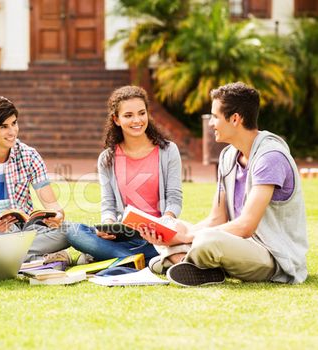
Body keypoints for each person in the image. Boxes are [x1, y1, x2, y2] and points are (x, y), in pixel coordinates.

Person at [143, 82, 308, 287]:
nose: (211, 123)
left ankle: (178, 259)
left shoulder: (270, 157)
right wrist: (173, 233)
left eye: (215, 116)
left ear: (235, 119)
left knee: (205, 241)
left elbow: (246, 226)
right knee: (170, 226)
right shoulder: (228, 156)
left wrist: (185, 237)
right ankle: (195, 265)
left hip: (272, 255)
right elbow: (216, 218)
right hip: (236, 244)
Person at [0, 95, 84, 264]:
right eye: (3, 127)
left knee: (71, 231)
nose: (12, 131)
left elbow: (53, 206)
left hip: (25, 231)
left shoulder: (29, 155)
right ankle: (40, 258)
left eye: (14, 123)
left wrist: (58, 216)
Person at [66, 85, 183, 266]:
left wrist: (165, 222)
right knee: (72, 231)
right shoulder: (107, 158)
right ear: (116, 119)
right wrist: (108, 225)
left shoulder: (168, 151)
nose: (137, 120)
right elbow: (108, 204)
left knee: (176, 243)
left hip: (156, 239)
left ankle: (110, 257)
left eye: (141, 113)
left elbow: (174, 198)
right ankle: (135, 260)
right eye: (128, 115)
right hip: (123, 236)